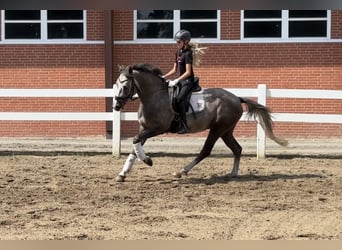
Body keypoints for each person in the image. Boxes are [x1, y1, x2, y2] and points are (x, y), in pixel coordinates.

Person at [163, 29, 195, 134]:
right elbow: (174, 70)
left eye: (179, 42)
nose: (177, 44)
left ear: (185, 42)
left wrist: (176, 80)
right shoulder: (177, 53)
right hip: (180, 81)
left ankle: (184, 125)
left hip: (188, 81)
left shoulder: (188, 54)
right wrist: (164, 76)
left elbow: (188, 72)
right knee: (170, 98)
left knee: (179, 99)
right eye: (176, 42)